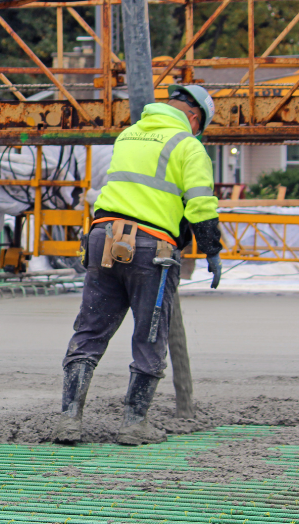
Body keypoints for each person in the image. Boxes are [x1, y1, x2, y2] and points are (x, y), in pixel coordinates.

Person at [50, 85, 224, 446]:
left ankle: (68, 421)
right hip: (151, 250)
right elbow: (200, 204)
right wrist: (211, 250)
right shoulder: (188, 145)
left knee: (89, 332)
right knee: (150, 336)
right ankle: (134, 424)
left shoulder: (129, 135)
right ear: (194, 118)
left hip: (103, 238)